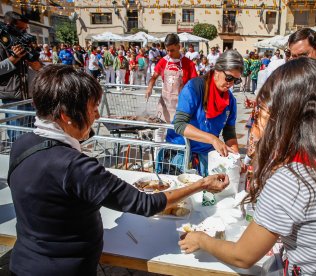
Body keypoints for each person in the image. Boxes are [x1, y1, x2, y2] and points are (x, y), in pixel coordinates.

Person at [179, 58, 316, 275]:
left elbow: (242, 255)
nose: (257, 121)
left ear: (284, 115)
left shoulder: (292, 180)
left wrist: (201, 240)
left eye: (261, 111)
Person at [8, 65, 229, 275]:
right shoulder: (75, 167)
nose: (96, 116)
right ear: (66, 116)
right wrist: (202, 183)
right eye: (92, 109)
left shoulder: (23, 143)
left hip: (23, 261)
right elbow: (146, 204)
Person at [165, 50, 243, 176]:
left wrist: (236, 158)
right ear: (217, 71)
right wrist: (212, 139)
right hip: (182, 154)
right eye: (229, 78)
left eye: (236, 80)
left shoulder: (230, 101)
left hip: (208, 156)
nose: (231, 83)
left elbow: (229, 132)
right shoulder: (194, 88)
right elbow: (179, 124)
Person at [0, 11, 42, 141]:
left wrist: (35, 64)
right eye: (21, 28)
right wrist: (14, 58)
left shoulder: (23, 42)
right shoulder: (2, 44)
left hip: (30, 96)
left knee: (33, 135)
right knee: (17, 138)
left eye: (25, 29)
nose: (24, 32)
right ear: (9, 25)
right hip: (13, 98)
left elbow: (37, 66)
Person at [145, 33, 198, 124]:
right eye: (167, 50)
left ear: (179, 46)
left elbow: (195, 84)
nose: (169, 53)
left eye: (172, 50)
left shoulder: (188, 64)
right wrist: (149, 87)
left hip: (181, 105)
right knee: (159, 130)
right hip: (165, 103)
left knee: (177, 131)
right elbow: (154, 77)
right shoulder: (163, 61)